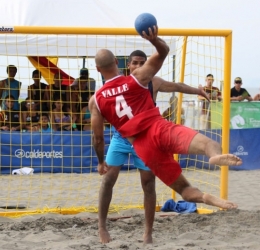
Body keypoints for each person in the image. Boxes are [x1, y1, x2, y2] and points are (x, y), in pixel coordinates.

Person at [90, 26, 242, 244]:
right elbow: (163, 51)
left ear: (96, 69)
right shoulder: (137, 79)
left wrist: (99, 160)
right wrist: (154, 40)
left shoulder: (96, 99)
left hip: (143, 146)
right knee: (208, 143)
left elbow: (96, 138)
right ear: (118, 63)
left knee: (171, 188)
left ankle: (197, 200)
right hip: (157, 130)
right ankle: (213, 156)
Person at [99, 49, 210, 244]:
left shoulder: (153, 82)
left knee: (148, 184)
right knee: (108, 180)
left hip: (146, 139)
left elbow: (177, 86)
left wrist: (197, 91)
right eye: (135, 62)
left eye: (142, 62)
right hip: (121, 138)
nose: (139, 66)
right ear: (128, 65)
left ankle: (147, 233)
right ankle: (102, 227)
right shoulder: (123, 85)